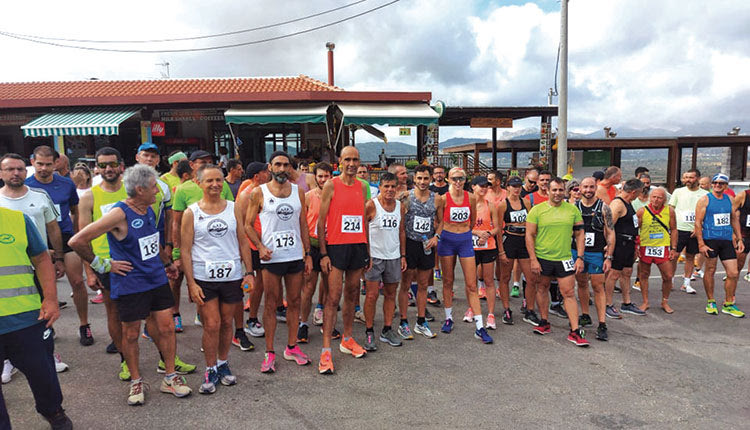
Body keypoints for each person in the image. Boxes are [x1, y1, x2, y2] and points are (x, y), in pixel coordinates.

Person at [70, 164, 192, 406]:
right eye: (154, 187)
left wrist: (167, 263)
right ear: (139, 189)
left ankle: (170, 376)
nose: (158, 191)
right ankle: (136, 380)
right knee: (132, 333)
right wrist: (103, 265)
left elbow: (150, 242)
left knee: (167, 327)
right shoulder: (120, 213)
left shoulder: (147, 209)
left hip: (155, 278)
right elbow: (77, 240)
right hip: (131, 283)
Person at [180, 164, 253, 393]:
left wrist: (249, 272)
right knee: (211, 324)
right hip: (204, 276)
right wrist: (191, 283)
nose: (215, 185)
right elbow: (185, 250)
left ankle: (223, 363)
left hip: (232, 275)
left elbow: (243, 241)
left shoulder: (234, 208)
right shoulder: (191, 212)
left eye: (219, 180)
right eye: (210, 181)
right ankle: (210, 367)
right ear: (199, 183)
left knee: (226, 322)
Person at [0, 206, 72, 430]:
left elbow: (41, 258)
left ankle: (53, 410)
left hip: (26, 318)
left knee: (43, 374)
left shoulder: (17, 219)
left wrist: (51, 299)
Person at [0, 153, 69, 373]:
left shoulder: (40, 195)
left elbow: (53, 228)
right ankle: (8, 362)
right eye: (10, 169)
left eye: (19, 169)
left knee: (45, 311)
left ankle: (47, 354)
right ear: (1, 173)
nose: (15, 173)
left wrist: (59, 258)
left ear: (26, 170)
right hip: (9, 273)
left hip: (40, 264)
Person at [245, 151, 313, 373]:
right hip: (272, 257)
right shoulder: (259, 192)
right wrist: (261, 247)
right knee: (272, 304)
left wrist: (308, 253)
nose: (282, 169)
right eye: (278, 164)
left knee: (294, 301)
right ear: (270, 167)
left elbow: (303, 223)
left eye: (286, 165)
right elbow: (247, 225)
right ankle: (270, 351)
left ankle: (291, 347)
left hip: (294, 255)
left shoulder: (298, 192)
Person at [26, 146, 93, 346]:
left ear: (56, 163)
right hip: (38, 239)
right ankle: (48, 325)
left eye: (48, 164)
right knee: (42, 286)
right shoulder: (27, 185)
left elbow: (75, 210)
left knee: (77, 282)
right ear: (32, 163)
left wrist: (74, 234)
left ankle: (84, 325)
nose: (44, 168)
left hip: (64, 236)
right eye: (40, 164)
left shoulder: (66, 184)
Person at [316, 146, 371, 374]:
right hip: (336, 247)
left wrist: (367, 250)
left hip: (357, 246)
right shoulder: (331, 185)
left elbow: (364, 220)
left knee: (352, 294)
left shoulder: (363, 187)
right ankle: (326, 350)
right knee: (333, 298)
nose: (351, 163)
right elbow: (321, 222)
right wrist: (324, 253)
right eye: (347, 159)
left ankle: (347, 338)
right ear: (340, 162)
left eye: (355, 159)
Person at [76, 147, 129, 376]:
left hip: (135, 260)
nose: (108, 169)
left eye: (113, 164)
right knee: (114, 311)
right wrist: (90, 272)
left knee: (150, 312)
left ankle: (165, 358)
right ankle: (124, 358)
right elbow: (82, 238)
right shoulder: (89, 196)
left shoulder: (133, 190)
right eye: (103, 165)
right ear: (96, 168)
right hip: (106, 263)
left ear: (121, 166)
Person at [171, 150, 234, 328]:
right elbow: (175, 223)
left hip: (215, 248)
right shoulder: (182, 189)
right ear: (191, 165)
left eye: (209, 160)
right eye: (201, 162)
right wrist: (176, 251)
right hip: (188, 245)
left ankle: (203, 316)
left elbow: (232, 216)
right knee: (178, 282)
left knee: (209, 294)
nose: (207, 164)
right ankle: (176, 314)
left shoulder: (223, 186)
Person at [526, 176, 589, 347]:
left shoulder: (573, 210)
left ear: (565, 191)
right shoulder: (537, 210)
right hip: (543, 257)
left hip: (565, 258)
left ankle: (575, 331)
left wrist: (580, 257)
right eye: (554, 190)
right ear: (547, 190)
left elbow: (580, 234)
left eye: (561, 190)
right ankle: (544, 321)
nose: (557, 193)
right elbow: (529, 236)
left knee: (568, 292)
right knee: (542, 288)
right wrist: (533, 259)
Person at [435, 167, 492, 344]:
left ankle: (479, 326)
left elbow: (473, 220)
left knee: (471, 284)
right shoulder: (443, 199)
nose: (458, 182)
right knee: (448, 281)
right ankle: (448, 317)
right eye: (454, 179)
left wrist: (465, 232)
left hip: (465, 240)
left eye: (461, 179)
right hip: (447, 240)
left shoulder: (471, 198)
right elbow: (439, 221)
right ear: (448, 179)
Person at [362, 172, 406, 349]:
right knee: (371, 295)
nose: (389, 190)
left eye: (393, 186)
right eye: (386, 186)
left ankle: (387, 329)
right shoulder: (371, 205)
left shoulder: (400, 206)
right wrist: (366, 256)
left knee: (390, 294)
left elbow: (401, 231)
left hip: (393, 256)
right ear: (379, 187)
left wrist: (403, 255)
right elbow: (363, 231)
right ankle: (369, 331)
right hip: (375, 257)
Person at [135, 143, 175, 331]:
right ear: (137, 157)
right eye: (145, 155)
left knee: (156, 283)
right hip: (130, 244)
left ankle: (150, 326)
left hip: (154, 243)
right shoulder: (126, 182)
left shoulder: (163, 187)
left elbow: (169, 218)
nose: (149, 159)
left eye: (153, 156)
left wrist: (168, 244)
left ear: (158, 160)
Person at [695, 173, 745, 317]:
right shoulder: (705, 200)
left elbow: (733, 219)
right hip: (710, 240)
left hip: (726, 240)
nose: (717, 185)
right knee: (710, 270)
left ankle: (728, 304)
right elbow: (698, 223)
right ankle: (711, 301)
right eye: (715, 183)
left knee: (733, 273)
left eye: (721, 183)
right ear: (711, 185)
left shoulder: (730, 199)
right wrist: (701, 244)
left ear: (726, 186)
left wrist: (739, 239)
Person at [298, 163, 338, 344]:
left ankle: (326, 322)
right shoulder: (307, 197)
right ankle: (303, 323)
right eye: (320, 176)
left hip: (332, 244)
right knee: (309, 287)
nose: (323, 180)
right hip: (313, 245)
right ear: (315, 177)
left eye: (327, 176)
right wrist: (305, 250)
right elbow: (303, 224)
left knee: (331, 287)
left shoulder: (336, 196)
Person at [399, 165, 439, 338]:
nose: (423, 182)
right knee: (406, 284)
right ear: (414, 179)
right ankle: (403, 321)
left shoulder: (437, 199)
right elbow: (399, 223)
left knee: (423, 284)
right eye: (419, 178)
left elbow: (442, 221)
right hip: (409, 244)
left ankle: (421, 321)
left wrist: (437, 236)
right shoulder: (406, 197)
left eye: (426, 178)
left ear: (431, 179)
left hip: (427, 245)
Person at [573, 177, 615, 341]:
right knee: (582, 283)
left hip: (597, 252)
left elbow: (611, 232)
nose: (588, 190)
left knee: (598, 286)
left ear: (596, 187)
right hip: (577, 251)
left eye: (591, 187)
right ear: (580, 189)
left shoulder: (604, 208)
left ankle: (602, 323)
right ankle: (585, 314)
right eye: (585, 187)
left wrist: (609, 256)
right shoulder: (574, 207)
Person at [236, 162, 270, 340]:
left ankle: (253, 317)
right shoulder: (246, 194)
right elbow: (242, 225)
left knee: (262, 282)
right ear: (257, 176)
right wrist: (256, 244)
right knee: (253, 282)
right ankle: (250, 320)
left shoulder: (266, 191)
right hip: (251, 245)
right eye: (266, 172)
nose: (269, 174)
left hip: (264, 243)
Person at [604, 178, 645, 318]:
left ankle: (626, 303)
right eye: (638, 193)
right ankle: (607, 304)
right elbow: (608, 227)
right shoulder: (618, 204)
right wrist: (609, 246)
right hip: (619, 243)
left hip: (629, 243)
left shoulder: (629, 203)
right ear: (633, 192)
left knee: (627, 272)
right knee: (613, 274)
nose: (639, 196)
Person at [497, 176, 534, 326]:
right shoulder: (503, 205)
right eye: (514, 186)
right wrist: (501, 251)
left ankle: (530, 309)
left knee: (531, 278)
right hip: (510, 241)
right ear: (508, 187)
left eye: (519, 186)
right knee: (505, 277)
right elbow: (499, 229)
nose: (517, 189)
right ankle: (506, 309)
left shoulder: (525, 202)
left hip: (524, 241)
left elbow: (531, 223)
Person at [635, 187, 677, 313]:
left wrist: (673, 247)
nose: (656, 200)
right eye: (654, 197)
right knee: (643, 274)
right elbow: (635, 229)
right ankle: (645, 301)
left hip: (662, 246)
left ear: (664, 199)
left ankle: (665, 301)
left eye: (659, 197)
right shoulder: (642, 211)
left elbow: (674, 229)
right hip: (646, 246)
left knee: (668, 275)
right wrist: (636, 246)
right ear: (649, 198)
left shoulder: (669, 211)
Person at [468, 176, 501, 329]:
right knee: (471, 282)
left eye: (486, 186)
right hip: (471, 247)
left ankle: (491, 314)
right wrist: (476, 233)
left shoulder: (491, 205)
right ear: (473, 187)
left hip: (488, 247)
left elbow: (497, 228)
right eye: (480, 186)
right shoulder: (468, 205)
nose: (483, 188)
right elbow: (463, 226)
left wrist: (487, 234)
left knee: (488, 281)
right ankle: (472, 309)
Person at [669, 169, 708, 294]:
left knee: (691, 257)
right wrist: (671, 226)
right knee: (673, 256)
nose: (688, 180)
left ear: (697, 178)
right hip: (679, 229)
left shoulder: (704, 194)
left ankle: (686, 283)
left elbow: (706, 212)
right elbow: (671, 208)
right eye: (685, 177)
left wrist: (699, 228)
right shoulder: (678, 192)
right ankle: (670, 281)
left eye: (691, 177)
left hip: (695, 231)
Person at [732, 184, 750, 289]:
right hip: (744, 235)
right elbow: (731, 213)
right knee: (737, 267)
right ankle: (730, 296)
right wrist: (734, 234)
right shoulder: (743, 195)